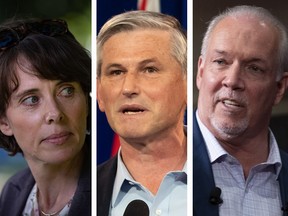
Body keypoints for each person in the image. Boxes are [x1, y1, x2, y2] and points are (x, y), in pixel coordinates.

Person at [194, 5, 288, 216]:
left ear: (279, 88)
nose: (232, 80)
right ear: (200, 72)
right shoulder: (160, 165)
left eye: (254, 68)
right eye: (220, 62)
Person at [97, 11, 187, 216]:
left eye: (149, 70)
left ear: (186, 84)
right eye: (116, 72)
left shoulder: (220, 177)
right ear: (100, 94)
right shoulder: (83, 193)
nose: (128, 88)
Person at [0, 18, 91, 215]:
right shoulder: (12, 192)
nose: (55, 113)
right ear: (3, 122)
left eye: (66, 91)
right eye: (32, 99)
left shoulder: (110, 192)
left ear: (86, 97)